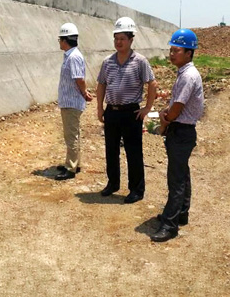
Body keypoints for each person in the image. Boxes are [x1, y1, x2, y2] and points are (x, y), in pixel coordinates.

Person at [96, 17, 157, 203]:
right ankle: (113, 183)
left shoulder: (140, 61)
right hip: (112, 111)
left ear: (131, 40)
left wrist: (147, 108)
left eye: (122, 38)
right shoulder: (108, 62)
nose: (118, 42)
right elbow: (101, 84)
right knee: (111, 150)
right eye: (116, 38)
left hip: (131, 113)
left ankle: (136, 190)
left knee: (133, 152)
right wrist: (100, 108)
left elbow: (152, 84)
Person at [151, 29, 204, 242]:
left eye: (177, 50)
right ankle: (181, 213)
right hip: (183, 131)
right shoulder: (185, 73)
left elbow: (176, 109)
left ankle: (169, 225)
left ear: (189, 53)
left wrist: (165, 118)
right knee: (182, 173)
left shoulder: (188, 76)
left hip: (181, 131)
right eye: (171, 50)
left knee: (176, 179)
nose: (172, 54)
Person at [55, 23, 93, 181]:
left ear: (65, 40)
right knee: (72, 134)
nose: (59, 42)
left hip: (72, 103)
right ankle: (74, 163)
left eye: (60, 39)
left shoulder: (73, 57)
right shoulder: (70, 56)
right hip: (69, 102)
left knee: (71, 136)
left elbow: (79, 79)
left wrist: (84, 93)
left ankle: (71, 168)